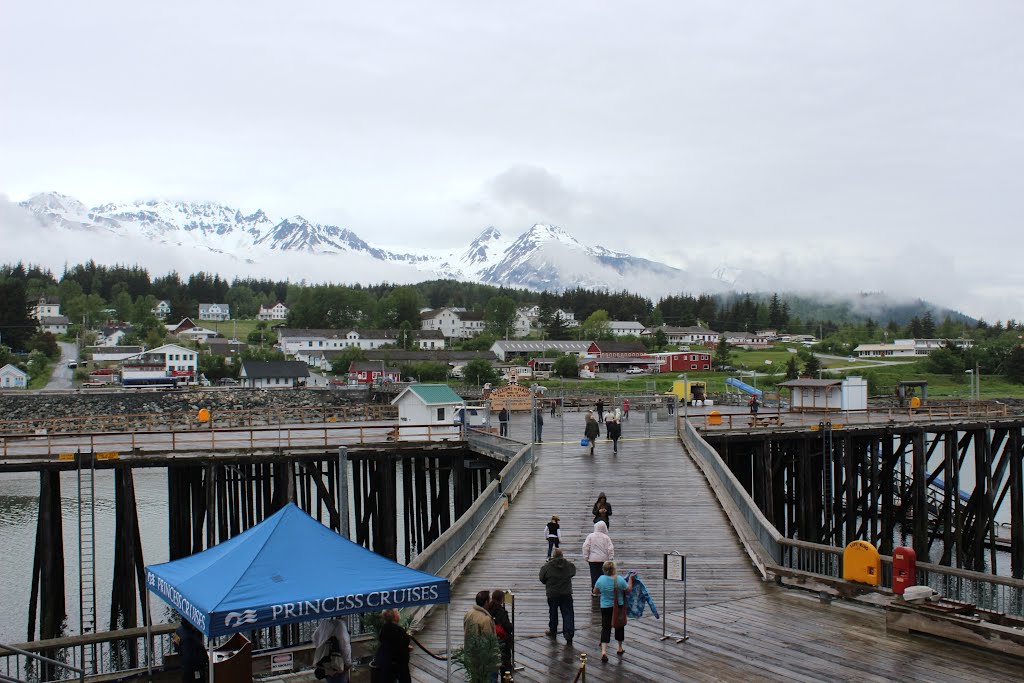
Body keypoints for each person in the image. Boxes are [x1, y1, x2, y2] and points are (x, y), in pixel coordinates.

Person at [593, 561, 634, 662]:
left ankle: (603, 651)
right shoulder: (619, 579)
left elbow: (595, 591)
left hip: (605, 606)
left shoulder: (600, 579)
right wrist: (631, 580)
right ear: (613, 569)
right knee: (619, 626)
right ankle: (619, 647)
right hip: (618, 607)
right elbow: (628, 589)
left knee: (605, 627)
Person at [539, 548, 576, 646]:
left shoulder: (547, 567)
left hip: (552, 594)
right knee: (568, 614)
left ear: (553, 556)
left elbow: (542, 578)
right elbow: (573, 572)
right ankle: (568, 634)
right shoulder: (568, 565)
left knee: (553, 612)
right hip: (566, 593)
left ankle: (553, 631)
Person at [371, 608, 411, 683]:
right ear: (395, 617)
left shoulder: (384, 629)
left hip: (385, 663)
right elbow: (402, 645)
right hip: (398, 664)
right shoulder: (399, 631)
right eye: (398, 613)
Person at [312, 617, 352, 683]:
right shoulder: (340, 625)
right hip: (338, 663)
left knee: (330, 678)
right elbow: (345, 646)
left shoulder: (324, 623)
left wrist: (323, 648)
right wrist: (348, 663)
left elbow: (315, 637)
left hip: (326, 663)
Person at [487, 590, 514, 676]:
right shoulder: (501, 612)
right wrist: (511, 627)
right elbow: (507, 627)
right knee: (505, 663)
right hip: (502, 640)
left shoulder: (487, 610)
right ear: (501, 599)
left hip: (491, 639)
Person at [582, 520, 614, 590]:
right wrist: (610, 558)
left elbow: (585, 547)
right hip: (604, 559)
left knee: (594, 575)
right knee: (603, 575)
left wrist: (586, 557)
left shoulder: (590, 536)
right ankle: (603, 589)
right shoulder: (606, 537)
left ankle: (594, 590)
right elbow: (610, 548)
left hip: (593, 559)